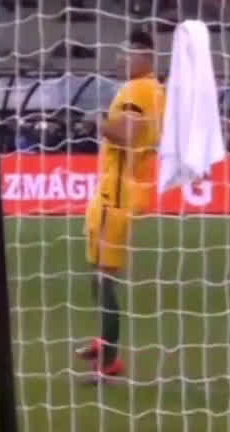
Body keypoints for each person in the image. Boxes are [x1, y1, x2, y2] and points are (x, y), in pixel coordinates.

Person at [75, 30, 165, 382]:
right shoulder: (154, 90)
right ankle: (104, 341)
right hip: (124, 190)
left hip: (117, 194)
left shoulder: (138, 90)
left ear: (143, 56)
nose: (120, 59)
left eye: (126, 54)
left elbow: (127, 135)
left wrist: (97, 121)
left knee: (104, 276)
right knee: (100, 271)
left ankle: (110, 359)